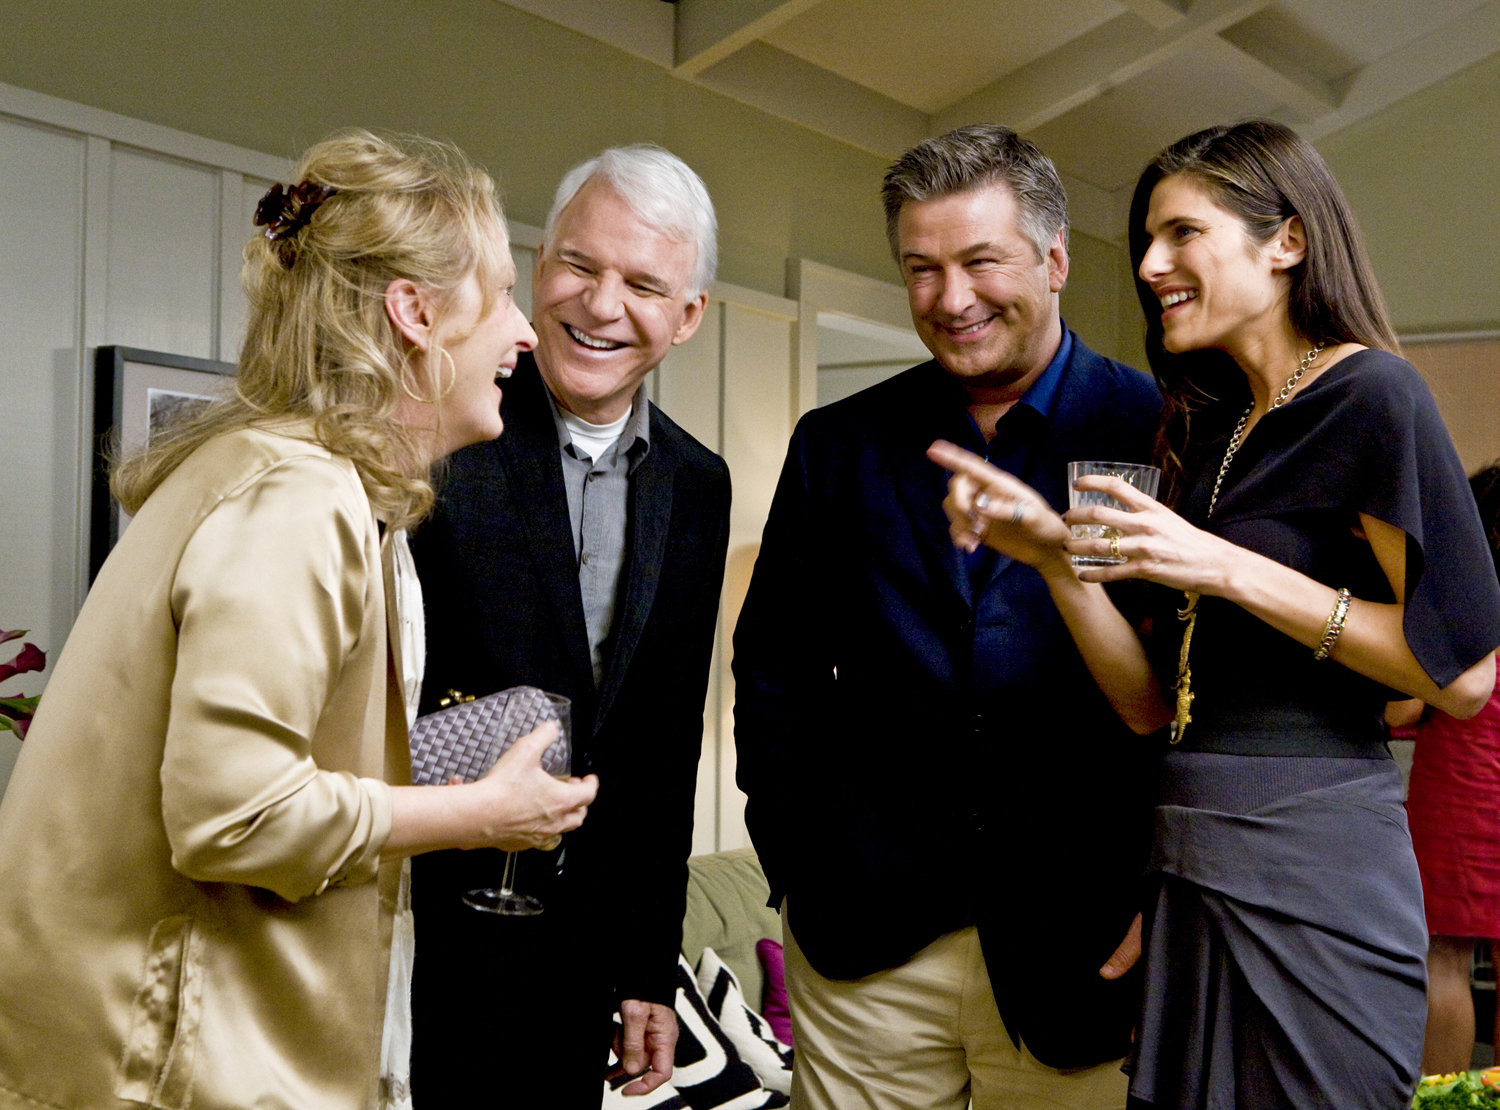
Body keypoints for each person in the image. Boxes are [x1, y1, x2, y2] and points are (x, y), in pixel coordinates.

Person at [0, 130, 599, 1110]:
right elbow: (234, 816)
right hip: (169, 1070)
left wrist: (439, 759)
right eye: (496, 296)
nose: (523, 332)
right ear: (415, 312)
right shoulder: (297, 498)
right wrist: (481, 815)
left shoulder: (291, 477)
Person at [929, 119, 1500, 1108]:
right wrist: (1055, 561)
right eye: (1148, 239)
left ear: (1286, 241)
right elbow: (1152, 706)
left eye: (1182, 233)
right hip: (1191, 850)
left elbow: (1461, 676)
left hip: (1316, 855)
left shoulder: (1374, 396)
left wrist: (1226, 567)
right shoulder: (1208, 425)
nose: (1150, 264)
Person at [733, 124, 1163, 1110]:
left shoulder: (1146, 430)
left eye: (979, 261)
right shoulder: (838, 444)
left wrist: (1165, 880)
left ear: (1054, 260)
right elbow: (776, 667)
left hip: (1083, 938)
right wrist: (793, 855)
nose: (951, 299)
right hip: (864, 939)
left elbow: (1187, 691)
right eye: (921, 269)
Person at [408, 144, 730, 1107]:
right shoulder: (440, 428)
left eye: (643, 284)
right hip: (416, 918)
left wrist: (647, 967)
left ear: (688, 316)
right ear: (539, 265)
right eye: (581, 267)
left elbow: (664, 744)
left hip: (578, 950)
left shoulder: (698, 484)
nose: (599, 306)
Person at [1398, 463, 1500, 1074]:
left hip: (1458, 788)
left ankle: (1443, 1097)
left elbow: (1406, 703)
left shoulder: (1467, 605)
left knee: (1444, 959)